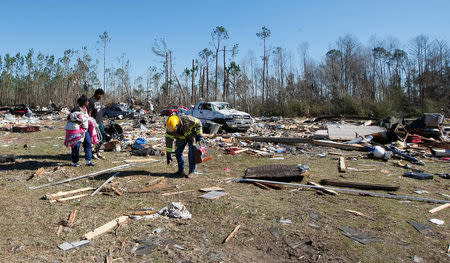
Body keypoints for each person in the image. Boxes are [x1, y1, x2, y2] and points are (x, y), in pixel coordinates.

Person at [65, 95, 94, 167]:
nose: (88, 102)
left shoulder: (85, 109)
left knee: (88, 143)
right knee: (76, 145)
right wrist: (77, 121)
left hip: (85, 130)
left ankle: (88, 161)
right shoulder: (76, 109)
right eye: (87, 101)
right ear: (84, 102)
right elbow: (69, 117)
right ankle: (75, 162)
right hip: (77, 131)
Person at [88, 89, 106, 159]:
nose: (101, 97)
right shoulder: (91, 101)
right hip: (94, 123)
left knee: (102, 137)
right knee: (94, 139)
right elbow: (89, 113)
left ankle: (97, 151)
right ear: (98, 94)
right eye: (101, 95)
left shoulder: (97, 101)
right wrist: (91, 123)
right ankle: (93, 153)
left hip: (100, 122)